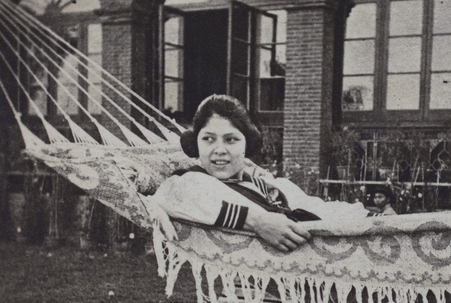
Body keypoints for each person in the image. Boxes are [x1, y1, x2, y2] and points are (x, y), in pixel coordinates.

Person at [151, 95, 369, 252]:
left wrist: (367, 218)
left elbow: (311, 205)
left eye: (231, 139)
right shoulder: (191, 181)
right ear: (196, 144)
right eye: (208, 139)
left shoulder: (261, 181)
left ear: (246, 144)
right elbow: (174, 196)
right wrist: (258, 222)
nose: (219, 149)